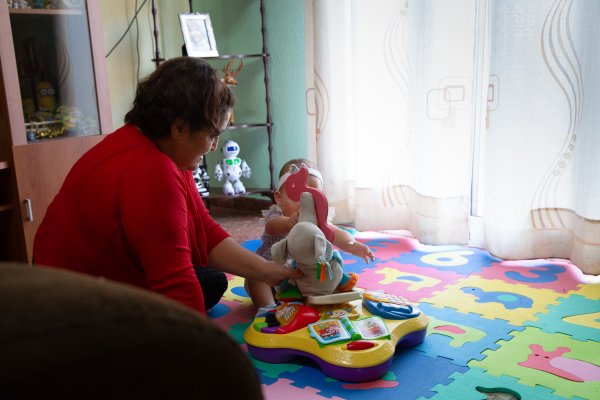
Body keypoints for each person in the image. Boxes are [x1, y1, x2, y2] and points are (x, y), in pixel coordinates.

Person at [33, 57, 301, 314]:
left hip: (61, 278)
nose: (214, 146)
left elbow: (204, 232)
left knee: (213, 280)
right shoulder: (152, 171)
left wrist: (266, 270)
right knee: (200, 287)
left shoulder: (153, 144)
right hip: (73, 303)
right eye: (212, 135)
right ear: (180, 128)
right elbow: (176, 284)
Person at [247, 158, 375, 310]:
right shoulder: (277, 217)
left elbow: (335, 233)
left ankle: (322, 297)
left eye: (313, 196)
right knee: (255, 276)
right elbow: (272, 226)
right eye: (298, 196)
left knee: (331, 270)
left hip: (306, 278)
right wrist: (289, 223)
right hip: (275, 276)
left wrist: (351, 245)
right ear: (279, 198)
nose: (306, 203)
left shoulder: (319, 221)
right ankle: (267, 308)